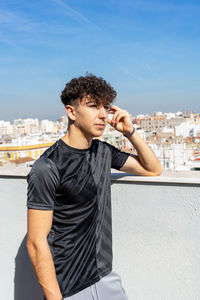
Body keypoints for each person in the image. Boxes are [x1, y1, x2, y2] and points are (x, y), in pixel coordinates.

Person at [26, 74, 162, 300]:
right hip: (70, 288)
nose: (102, 115)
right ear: (71, 111)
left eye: (105, 107)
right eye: (93, 106)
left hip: (106, 277)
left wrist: (130, 132)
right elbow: (36, 242)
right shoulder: (48, 167)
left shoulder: (103, 151)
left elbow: (152, 168)